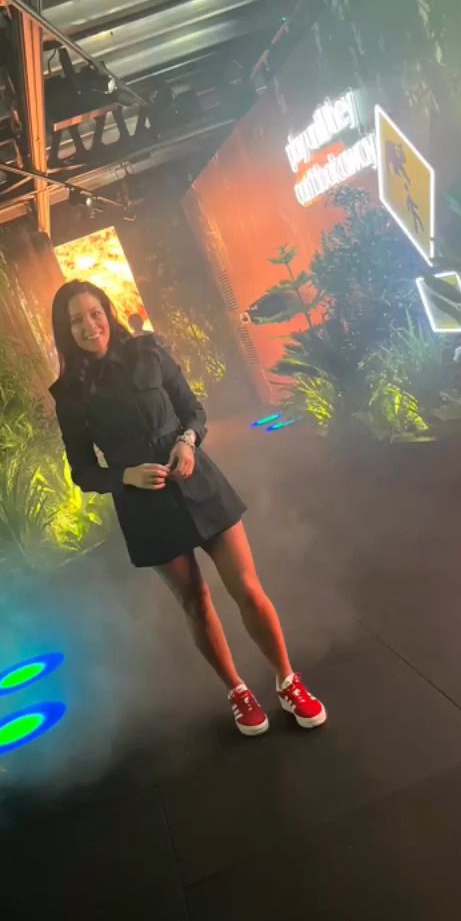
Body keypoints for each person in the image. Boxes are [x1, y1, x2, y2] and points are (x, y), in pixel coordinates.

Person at [50, 280, 326, 736]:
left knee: (248, 589)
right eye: (75, 320)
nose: (89, 325)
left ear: (108, 312)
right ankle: (237, 690)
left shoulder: (149, 351)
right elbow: (82, 470)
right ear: (66, 330)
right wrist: (125, 476)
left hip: (199, 482)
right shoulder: (70, 394)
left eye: (94, 313)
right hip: (145, 507)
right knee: (195, 602)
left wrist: (187, 440)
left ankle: (287, 680)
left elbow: (193, 409)